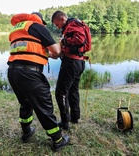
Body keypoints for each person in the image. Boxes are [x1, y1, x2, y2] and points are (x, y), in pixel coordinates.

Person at [7, 12, 69, 152]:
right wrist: (60, 44)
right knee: (44, 106)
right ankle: (58, 140)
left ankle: (27, 132)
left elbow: (29, 49)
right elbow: (56, 51)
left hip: (13, 71)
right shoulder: (37, 26)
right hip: (29, 73)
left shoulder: (18, 28)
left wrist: (46, 53)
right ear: (39, 20)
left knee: (26, 103)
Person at [51, 11, 87, 130]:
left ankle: (65, 121)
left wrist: (63, 41)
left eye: (57, 24)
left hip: (71, 64)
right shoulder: (73, 25)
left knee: (60, 93)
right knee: (73, 90)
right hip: (79, 62)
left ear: (62, 19)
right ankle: (75, 117)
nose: (58, 27)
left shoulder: (72, 25)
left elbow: (80, 39)